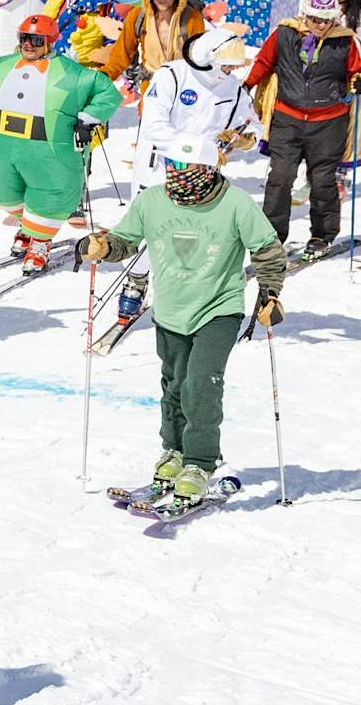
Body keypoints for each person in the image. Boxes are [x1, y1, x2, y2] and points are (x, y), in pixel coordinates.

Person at [80, 162, 287, 512]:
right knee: (174, 384)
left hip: (219, 309)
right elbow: (125, 240)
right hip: (170, 311)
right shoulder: (152, 201)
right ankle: (174, 451)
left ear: (207, 170)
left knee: (201, 384)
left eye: (187, 170)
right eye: (173, 168)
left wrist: (270, 294)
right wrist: (103, 248)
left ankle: (200, 461)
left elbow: (267, 249)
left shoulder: (235, 203)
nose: (178, 177)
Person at [0, 12, 124, 276]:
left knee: (49, 191)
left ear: (50, 41)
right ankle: (28, 225)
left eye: (36, 39)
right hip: (2, 144)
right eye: (24, 38)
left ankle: (40, 243)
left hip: (47, 147)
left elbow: (106, 91)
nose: (28, 45)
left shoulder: (71, 73)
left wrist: (87, 119)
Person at [243, 0, 361, 258]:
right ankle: (272, 236)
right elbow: (264, 62)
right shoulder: (284, 34)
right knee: (280, 177)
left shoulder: (345, 42)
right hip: (288, 118)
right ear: (306, 15)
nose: (321, 25)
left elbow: (357, 71)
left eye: (326, 20)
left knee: (322, 181)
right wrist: (246, 85)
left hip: (328, 122)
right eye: (315, 19)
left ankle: (322, 235)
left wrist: (359, 81)